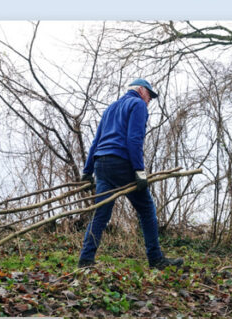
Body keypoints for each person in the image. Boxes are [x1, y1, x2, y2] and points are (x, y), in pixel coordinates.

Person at [77, 78, 182, 270]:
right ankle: (156, 259)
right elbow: (134, 139)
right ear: (141, 90)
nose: (149, 99)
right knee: (146, 209)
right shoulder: (138, 104)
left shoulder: (110, 108)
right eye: (149, 95)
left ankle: (85, 260)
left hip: (102, 163)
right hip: (122, 164)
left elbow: (96, 140)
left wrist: (87, 170)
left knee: (101, 213)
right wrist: (139, 171)